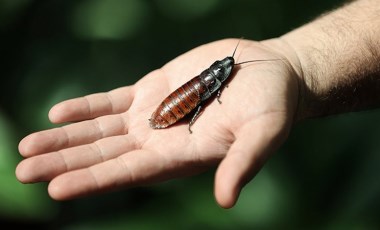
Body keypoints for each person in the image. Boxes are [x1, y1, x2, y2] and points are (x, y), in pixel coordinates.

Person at [16, 0, 380, 209]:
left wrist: (293, 61)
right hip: (181, 100)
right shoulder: (213, 81)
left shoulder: (219, 76)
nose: (229, 69)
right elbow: (206, 93)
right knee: (196, 98)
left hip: (187, 96)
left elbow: (209, 90)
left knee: (197, 97)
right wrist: (293, 58)